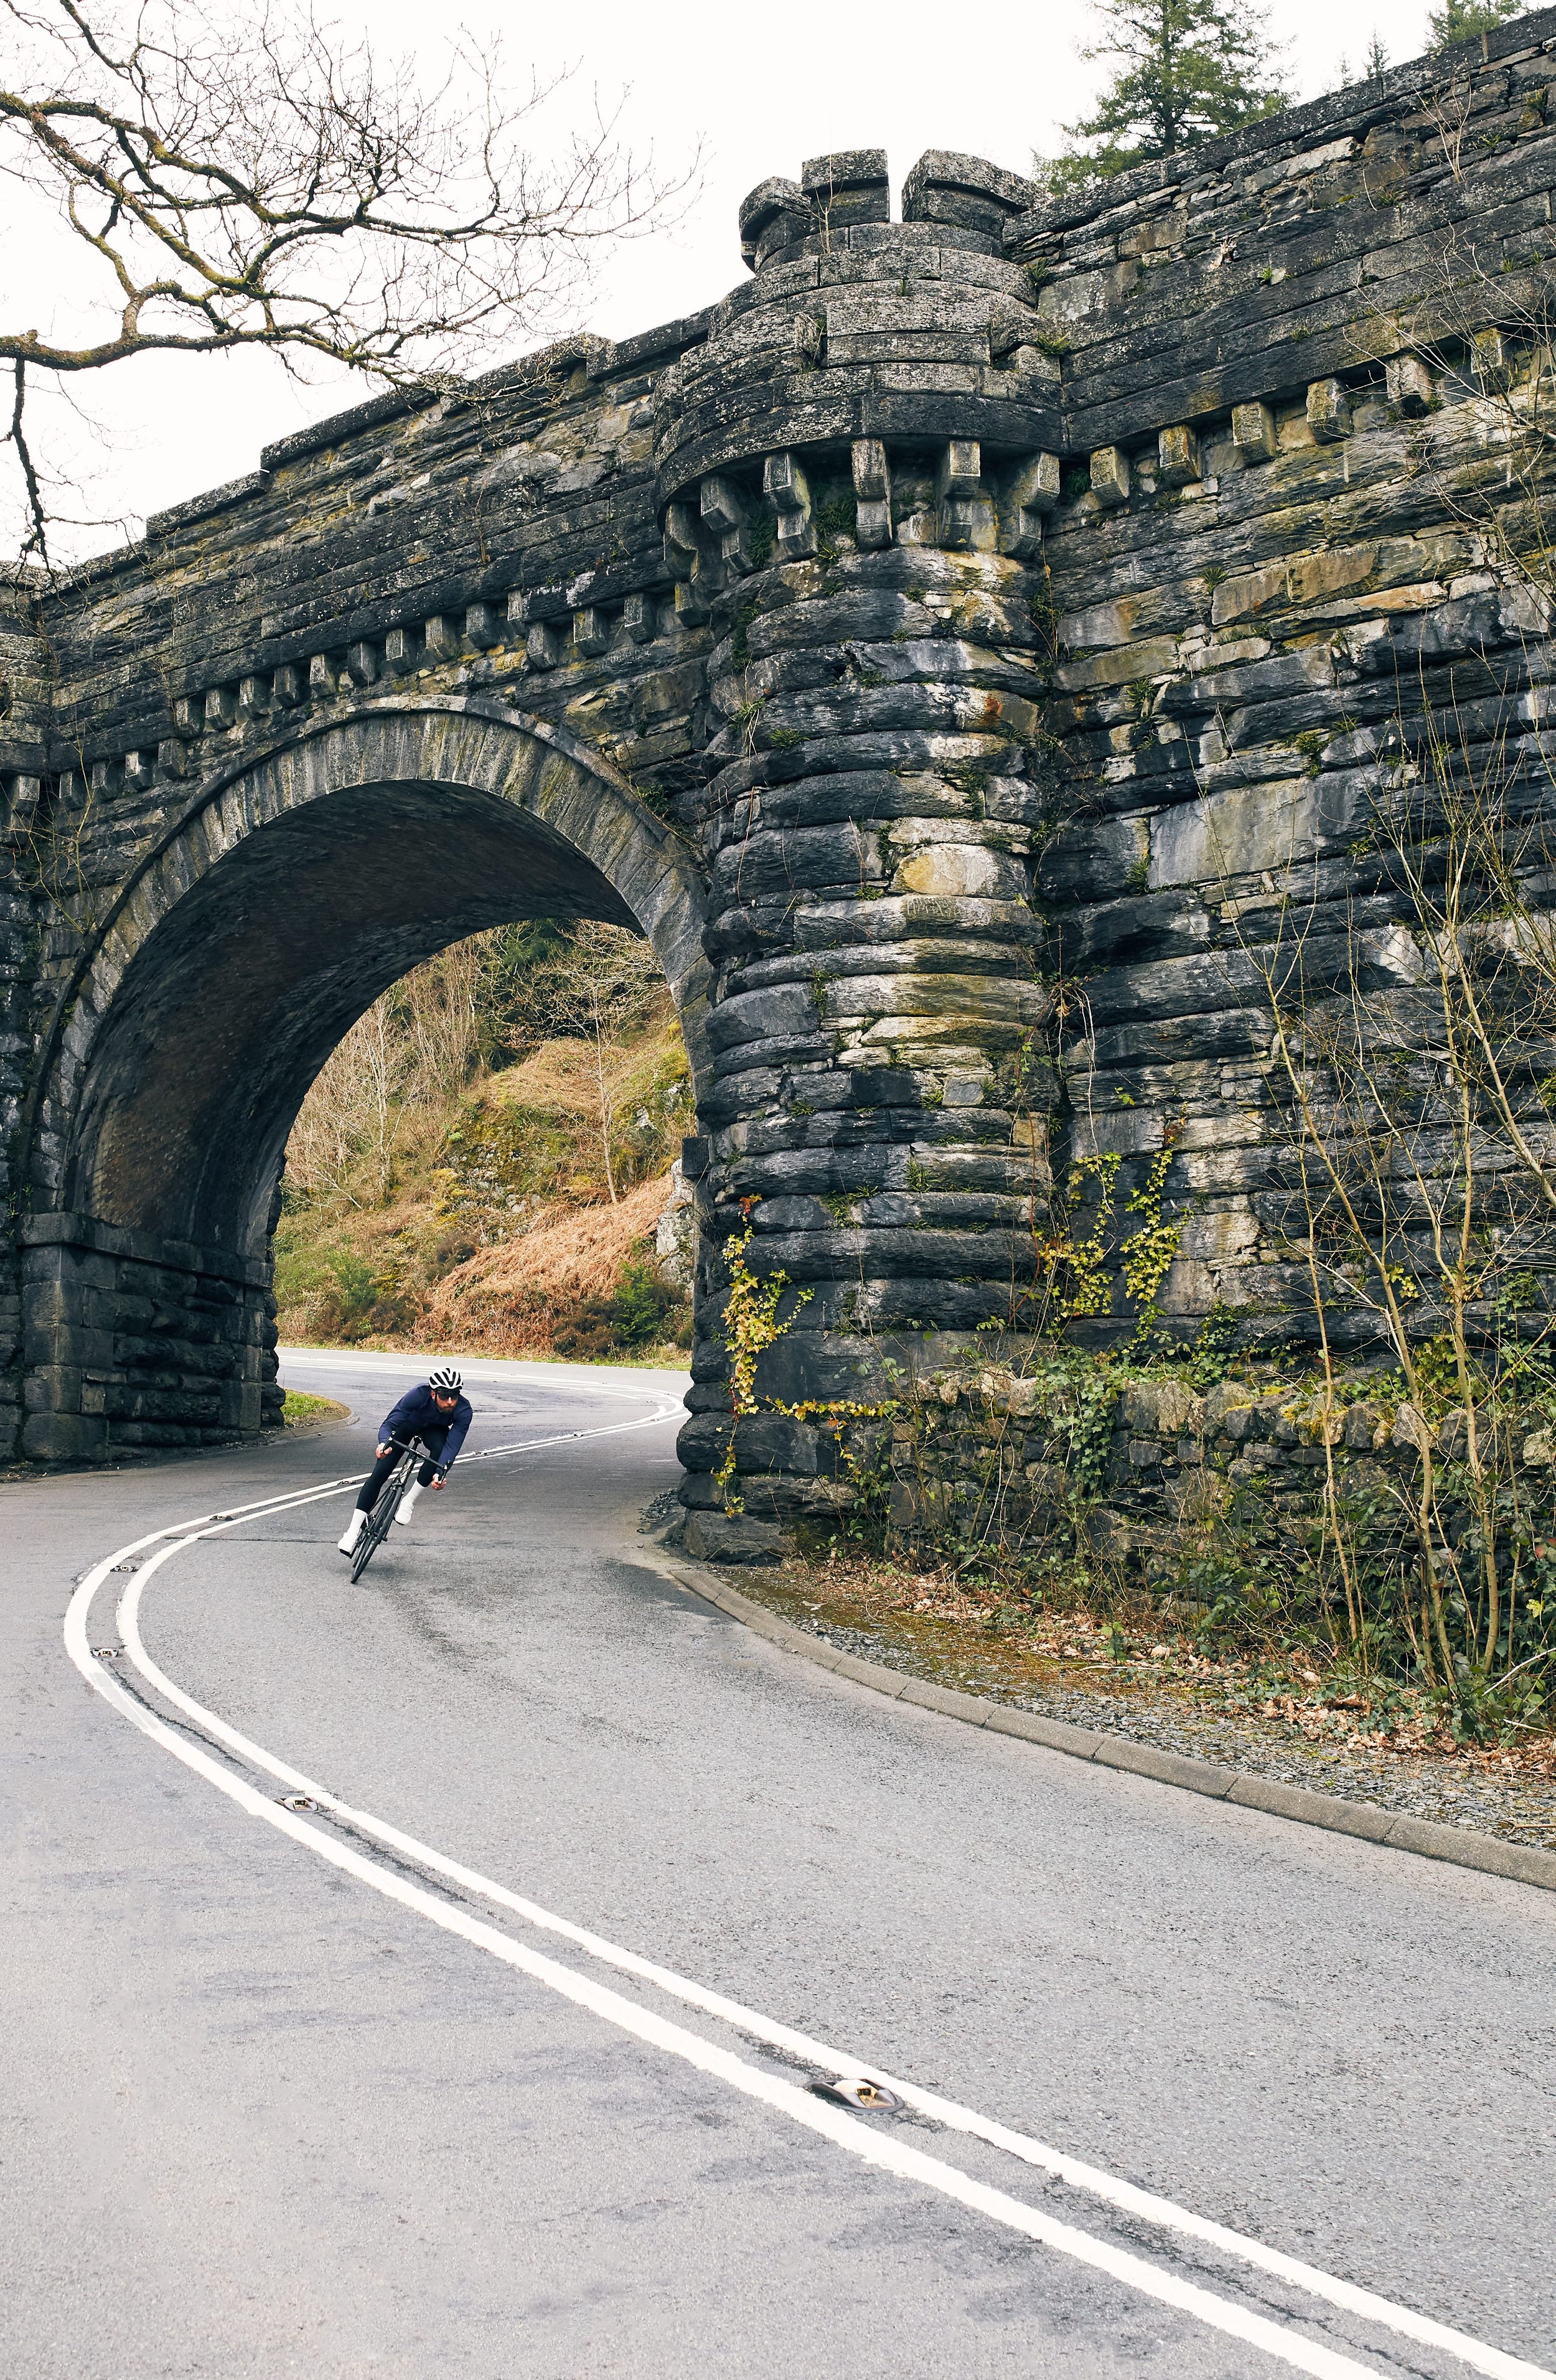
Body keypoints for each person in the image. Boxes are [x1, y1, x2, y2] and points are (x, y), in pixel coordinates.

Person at [337, 1366, 472, 1555]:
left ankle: (409, 1500)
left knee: (439, 1454)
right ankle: (352, 1532)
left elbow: (453, 1446)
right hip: (408, 1425)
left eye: (454, 1396)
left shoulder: (464, 1410)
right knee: (380, 1474)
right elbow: (390, 1423)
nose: (450, 1402)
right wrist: (383, 1444)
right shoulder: (418, 1394)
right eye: (444, 1396)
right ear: (433, 1394)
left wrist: (440, 1474)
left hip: (435, 1431)